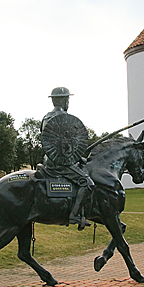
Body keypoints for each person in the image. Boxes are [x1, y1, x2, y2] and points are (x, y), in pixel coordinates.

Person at [39, 87, 94, 230]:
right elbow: (64, 146)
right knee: (87, 183)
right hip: (60, 163)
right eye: (67, 99)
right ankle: (74, 215)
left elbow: (53, 144)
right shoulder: (62, 118)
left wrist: (78, 157)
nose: (68, 102)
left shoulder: (47, 117)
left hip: (50, 159)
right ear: (63, 100)